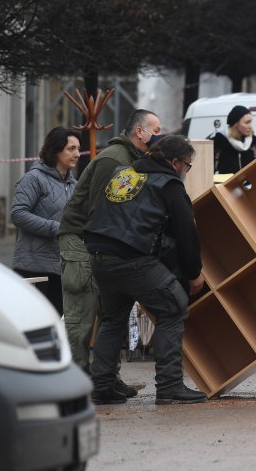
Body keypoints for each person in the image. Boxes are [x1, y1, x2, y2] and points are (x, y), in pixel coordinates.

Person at [84, 135, 206, 405]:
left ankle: (102, 385)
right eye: (188, 165)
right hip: (132, 258)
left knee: (113, 318)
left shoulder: (124, 174)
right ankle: (170, 386)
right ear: (175, 163)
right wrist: (194, 273)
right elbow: (187, 232)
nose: (187, 171)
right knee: (173, 306)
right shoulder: (170, 185)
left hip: (99, 254)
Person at [58, 109, 162, 397]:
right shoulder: (114, 159)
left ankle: (106, 378)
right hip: (82, 241)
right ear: (140, 132)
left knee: (110, 315)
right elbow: (97, 208)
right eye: (156, 128)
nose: (159, 133)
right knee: (81, 315)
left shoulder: (132, 159)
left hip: (100, 242)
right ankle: (76, 383)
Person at [11, 127, 81, 315]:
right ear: (56, 150)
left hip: (63, 268)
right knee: (32, 323)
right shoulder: (33, 179)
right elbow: (18, 213)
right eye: (71, 149)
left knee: (55, 324)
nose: (77, 154)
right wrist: (55, 228)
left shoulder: (74, 185)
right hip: (34, 268)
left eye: (78, 149)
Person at [213, 105, 256, 173]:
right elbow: (211, 168)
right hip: (225, 183)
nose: (250, 126)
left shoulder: (254, 143)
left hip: (249, 183)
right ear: (236, 124)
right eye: (247, 122)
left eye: (250, 122)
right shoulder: (220, 142)